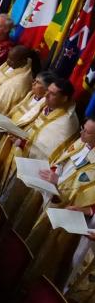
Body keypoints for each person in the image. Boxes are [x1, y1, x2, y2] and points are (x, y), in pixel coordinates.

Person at [19, 117, 95, 288]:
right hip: (51, 198)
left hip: (69, 215)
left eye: (87, 131)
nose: (81, 132)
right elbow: (61, 161)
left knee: (50, 253)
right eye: (82, 128)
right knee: (35, 239)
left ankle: (34, 284)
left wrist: (58, 181)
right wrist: (54, 172)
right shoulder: (81, 143)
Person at [0, 77, 79, 197]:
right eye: (48, 91)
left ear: (64, 98)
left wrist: (23, 144)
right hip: (17, 147)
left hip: (27, 163)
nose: (46, 95)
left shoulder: (67, 122)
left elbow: (48, 154)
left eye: (52, 94)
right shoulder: (46, 103)